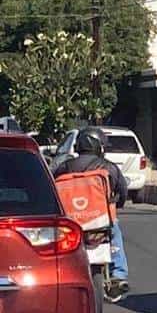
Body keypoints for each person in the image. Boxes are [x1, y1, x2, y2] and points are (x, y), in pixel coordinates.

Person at [53, 128, 129, 301]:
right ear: (99, 147)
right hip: (100, 222)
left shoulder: (64, 167)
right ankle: (119, 275)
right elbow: (122, 191)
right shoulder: (108, 167)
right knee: (114, 230)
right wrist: (118, 202)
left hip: (70, 224)